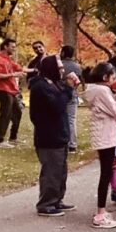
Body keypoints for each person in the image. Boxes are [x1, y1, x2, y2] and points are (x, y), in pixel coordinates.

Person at [30, 55, 79, 217]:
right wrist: (69, 89)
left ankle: (57, 199)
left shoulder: (54, 84)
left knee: (60, 171)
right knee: (51, 171)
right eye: (59, 68)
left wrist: (69, 86)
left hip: (60, 134)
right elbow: (58, 105)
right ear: (50, 68)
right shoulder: (41, 87)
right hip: (48, 136)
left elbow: (61, 100)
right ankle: (46, 204)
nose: (62, 70)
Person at [83, 62, 116, 229]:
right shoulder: (101, 91)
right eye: (113, 78)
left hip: (104, 135)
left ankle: (101, 210)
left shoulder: (96, 90)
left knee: (106, 173)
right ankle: (100, 214)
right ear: (105, 77)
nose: (115, 81)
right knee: (106, 174)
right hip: (106, 137)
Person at [0, 38, 25, 148]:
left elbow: (20, 69)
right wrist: (13, 74)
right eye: (12, 47)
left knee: (17, 113)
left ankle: (12, 138)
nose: (14, 49)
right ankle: (0, 140)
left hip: (11, 90)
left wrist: (35, 70)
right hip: (3, 90)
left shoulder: (8, 60)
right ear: (5, 47)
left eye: (15, 47)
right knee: (5, 114)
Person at [60, 45, 83, 153]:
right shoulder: (77, 66)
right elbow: (79, 81)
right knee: (71, 120)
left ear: (63, 53)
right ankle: (72, 144)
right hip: (72, 94)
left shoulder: (60, 65)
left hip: (60, 95)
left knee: (60, 119)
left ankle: (62, 142)